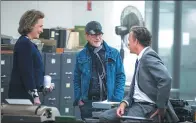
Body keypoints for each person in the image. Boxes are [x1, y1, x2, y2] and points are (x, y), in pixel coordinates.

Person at [99, 26, 172, 123]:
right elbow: (134, 90)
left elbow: (166, 79)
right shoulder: (140, 58)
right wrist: (124, 103)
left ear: (136, 41)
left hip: (146, 107)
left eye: (129, 40)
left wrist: (161, 106)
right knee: (105, 117)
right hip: (134, 104)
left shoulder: (148, 56)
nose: (128, 43)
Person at [73, 21, 126, 120]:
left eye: (99, 34)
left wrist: (117, 99)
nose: (97, 38)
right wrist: (79, 99)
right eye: (94, 35)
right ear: (87, 36)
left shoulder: (113, 53)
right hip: (88, 103)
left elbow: (120, 76)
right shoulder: (81, 55)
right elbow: (76, 79)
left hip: (109, 102)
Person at [8, 9, 46, 105]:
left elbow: (34, 70)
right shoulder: (24, 44)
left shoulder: (28, 43)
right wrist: (35, 96)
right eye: (40, 26)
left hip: (27, 95)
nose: (42, 30)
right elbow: (26, 72)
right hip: (22, 96)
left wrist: (42, 86)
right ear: (31, 25)